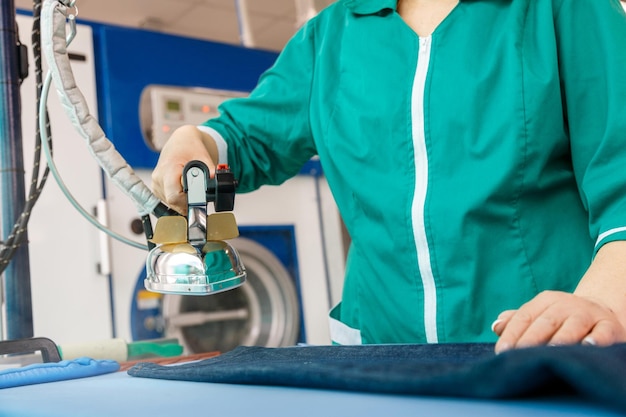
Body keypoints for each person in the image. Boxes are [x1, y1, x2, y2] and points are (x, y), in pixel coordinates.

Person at [151, 0, 626, 353]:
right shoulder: (330, 37)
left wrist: (602, 301)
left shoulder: (560, 9)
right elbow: (249, 136)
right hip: (380, 355)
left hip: (537, 344)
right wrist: (198, 141)